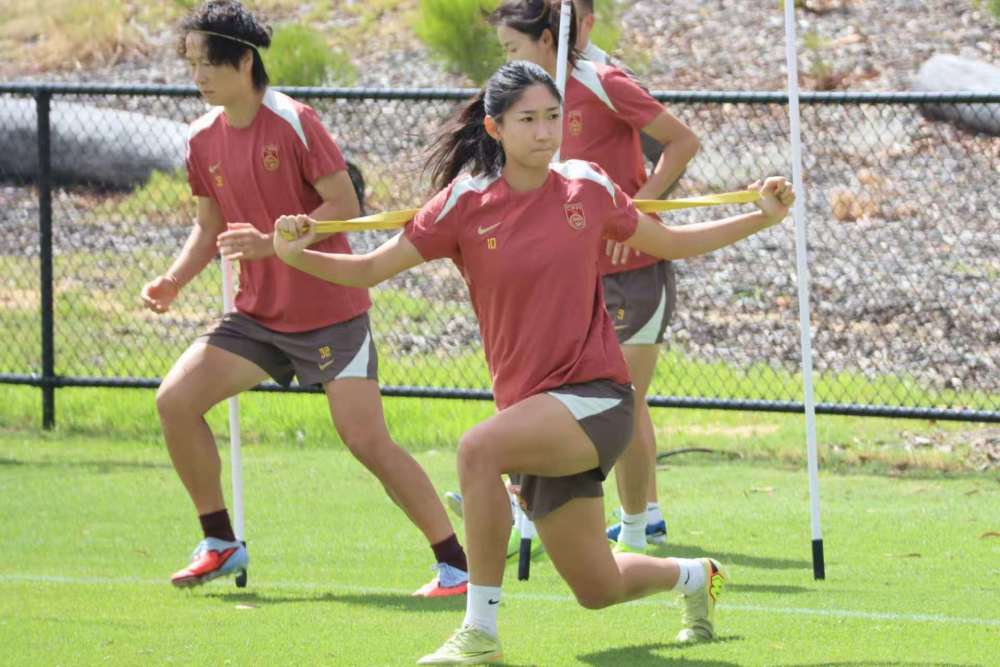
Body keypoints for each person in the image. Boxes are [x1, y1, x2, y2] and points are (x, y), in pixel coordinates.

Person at [271, 60, 793, 664]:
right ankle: (698, 577)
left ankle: (480, 633)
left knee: (477, 450)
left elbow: (672, 242)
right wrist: (294, 255)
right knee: (598, 588)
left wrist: (762, 216)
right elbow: (368, 269)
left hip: (599, 397)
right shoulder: (463, 203)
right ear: (494, 128)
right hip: (533, 414)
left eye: (552, 117)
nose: (545, 132)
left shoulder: (586, 187)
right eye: (528, 120)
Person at [140, 0, 468, 597]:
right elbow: (209, 226)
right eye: (191, 64)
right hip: (255, 317)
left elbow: (344, 204)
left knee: (367, 441)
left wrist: (272, 244)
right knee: (175, 401)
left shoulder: (294, 120)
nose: (197, 76)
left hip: (329, 314)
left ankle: (456, 565)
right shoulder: (200, 137)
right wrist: (173, 280)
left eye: (207, 63)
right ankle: (219, 541)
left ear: (244, 61)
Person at [491, 0, 701, 552]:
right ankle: (534, 503)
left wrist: (635, 211)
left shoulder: (603, 82)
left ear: (546, 40)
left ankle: (636, 525)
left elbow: (682, 142)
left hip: (633, 274)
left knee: (621, 400)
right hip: (574, 279)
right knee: (563, 394)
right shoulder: (531, 108)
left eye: (513, 48)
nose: (508, 60)